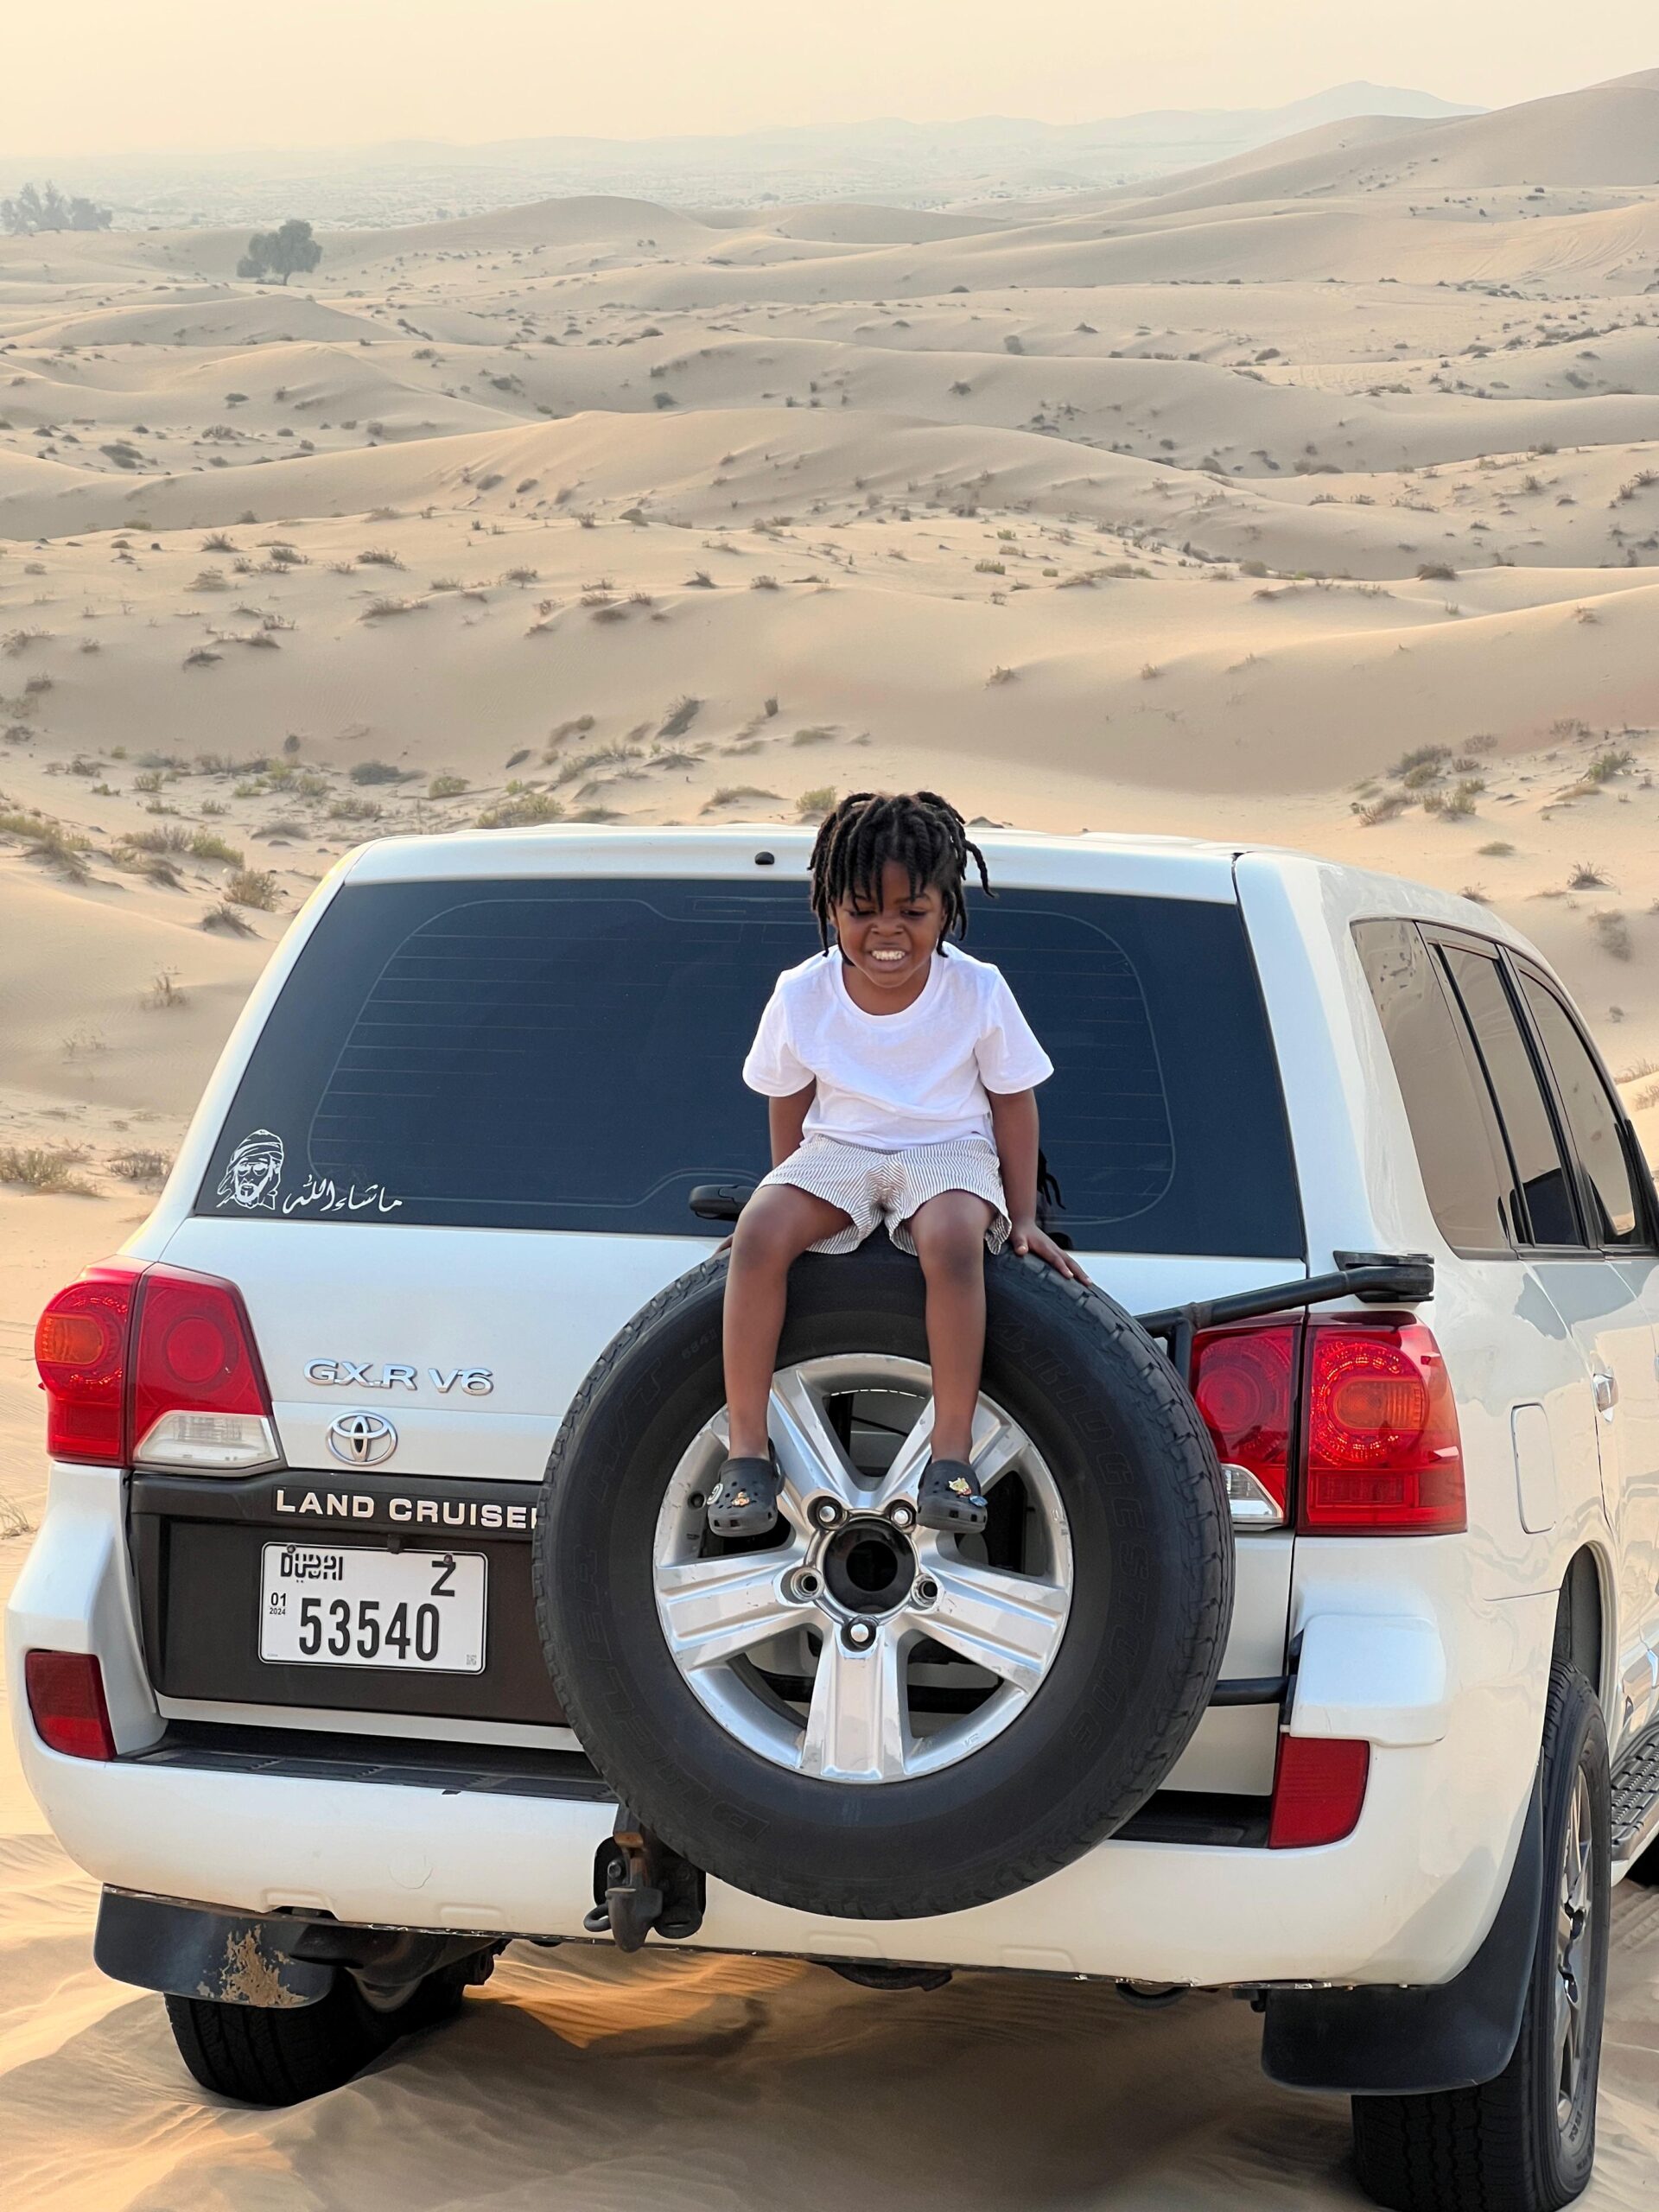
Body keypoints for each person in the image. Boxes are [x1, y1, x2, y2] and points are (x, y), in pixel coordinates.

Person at [710, 790, 1089, 1541]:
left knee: (951, 1240)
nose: (887, 932)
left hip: (948, 1149)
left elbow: (1014, 1104)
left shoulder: (976, 989)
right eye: (861, 911)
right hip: (841, 1150)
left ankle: (951, 1455)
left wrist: (1022, 1217)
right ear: (829, 908)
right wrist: (784, 1195)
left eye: (912, 913)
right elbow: (788, 1099)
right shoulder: (802, 992)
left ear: (945, 909)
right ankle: (748, 1455)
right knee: (757, 1235)